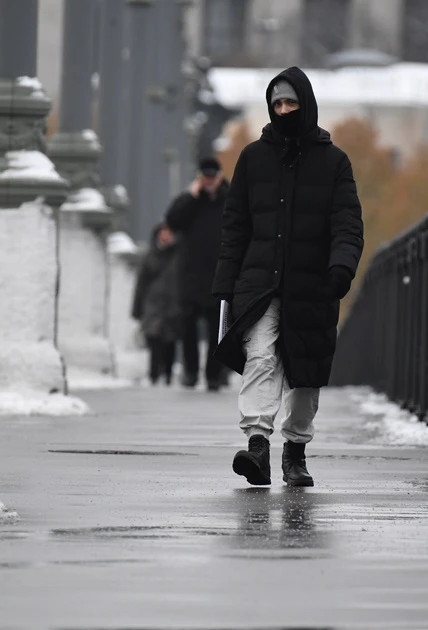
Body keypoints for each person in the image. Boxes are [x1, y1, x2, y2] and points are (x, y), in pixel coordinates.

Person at [212, 67, 364, 487]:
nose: (283, 110)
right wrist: (224, 282)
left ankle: (294, 451)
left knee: (305, 372)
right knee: (261, 356)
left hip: (313, 285)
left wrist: (341, 267)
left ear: (306, 104)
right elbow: (235, 225)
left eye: (290, 103)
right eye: (276, 104)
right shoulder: (252, 159)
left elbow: (347, 222)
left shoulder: (334, 162)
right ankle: (257, 445)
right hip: (259, 283)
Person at [164, 157, 229, 391]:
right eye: (205, 176)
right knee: (187, 327)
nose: (209, 181)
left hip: (218, 274)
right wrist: (191, 195)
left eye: (213, 176)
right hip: (191, 275)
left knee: (216, 330)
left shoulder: (229, 199)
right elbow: (172, 220)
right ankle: (190, 372)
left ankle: (213, 374)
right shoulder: (191, 201)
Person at [132, 223, 182, 386]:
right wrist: (137, 308)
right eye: (163, 232)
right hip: (153, 303)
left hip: (173, 303)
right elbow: (141, 283)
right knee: (154, 339)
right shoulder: (150, 255)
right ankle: (153, 374)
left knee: (170, 341)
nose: (165, 236)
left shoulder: (179, 255)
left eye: (168, 232)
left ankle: (167, 373)